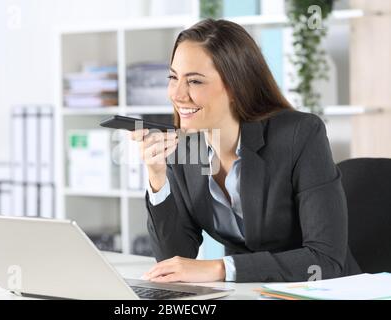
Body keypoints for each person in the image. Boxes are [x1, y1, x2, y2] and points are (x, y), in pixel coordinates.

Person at [130, 19, 361, 283]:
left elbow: (325, 260)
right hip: (250, 292)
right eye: (173, 78)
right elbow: (175, 261)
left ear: (235, 86)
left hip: (325, 291)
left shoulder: (300, 134)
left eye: (194, 81)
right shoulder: (183, 148)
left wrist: (220, 268)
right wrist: (157, 178)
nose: (178, 94)